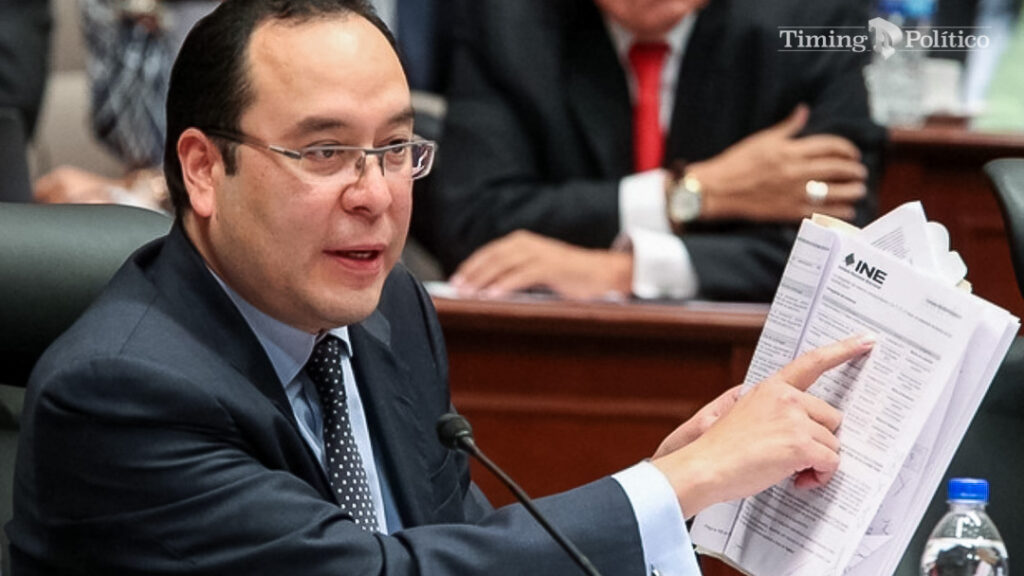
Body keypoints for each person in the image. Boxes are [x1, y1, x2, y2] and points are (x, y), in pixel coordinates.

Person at [7, 1, 875, 574]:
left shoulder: (390, 312)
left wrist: (675, 481)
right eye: (324, 152)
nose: (374, 194)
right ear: (203, 169)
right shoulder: (121, 393)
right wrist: (676, 484)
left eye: (395, 148)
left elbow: (466, 547)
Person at [433, 0, 885, 302]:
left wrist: (623, 272)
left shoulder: (811, 18)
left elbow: (838, 247)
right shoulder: (508, 20)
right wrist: (692, 193)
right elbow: (473, 220)